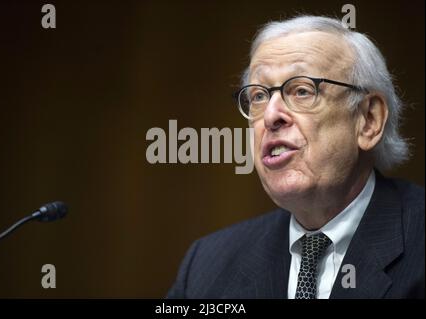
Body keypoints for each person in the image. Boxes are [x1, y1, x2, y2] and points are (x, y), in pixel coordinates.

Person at [167, 15, 424, 299]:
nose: (271, 115)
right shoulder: (207, 265)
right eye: (258, 96)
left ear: (368, 120)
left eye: (302, 91)